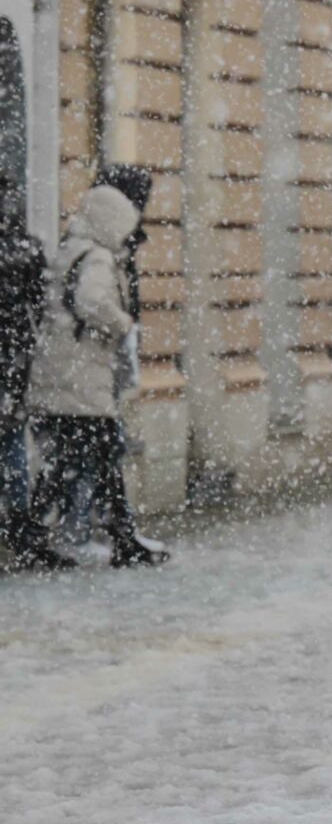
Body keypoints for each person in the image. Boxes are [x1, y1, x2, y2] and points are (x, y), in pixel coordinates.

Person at [25, 177, 165, 567]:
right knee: (98, 458)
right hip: (82, 380)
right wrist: (122, 324)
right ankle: (118, 538)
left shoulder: (72, 248)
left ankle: (40, 536)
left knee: (74, 460)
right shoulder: (98, 257)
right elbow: (90, 302)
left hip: (64, 374)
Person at [0, 215, 67, 571]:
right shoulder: (23, 246)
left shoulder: (21, 248)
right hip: (14, 360)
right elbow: (42, 308)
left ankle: (20, 527)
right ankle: (20, 528)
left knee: (12, 442)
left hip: (13, 360)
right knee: (12, 443)